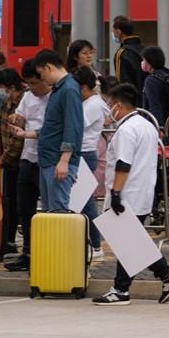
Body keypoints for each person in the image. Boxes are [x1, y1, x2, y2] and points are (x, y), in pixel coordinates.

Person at [92, 82, 169, 305]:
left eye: (110, 105)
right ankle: (129, 286)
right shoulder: (147, 125)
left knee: (129, 243)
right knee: (130, 243)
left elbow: (123, 163)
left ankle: (158, 277)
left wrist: (115, 193)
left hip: (127, 193)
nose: (109, 110)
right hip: (142, 191)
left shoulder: (126, 130)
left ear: (119, 105)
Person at [4, 60, 50, 272]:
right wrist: (17, 118)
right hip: (27, 157)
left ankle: (47, 252)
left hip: (47, 160)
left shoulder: (56, 97)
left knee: (50, 210)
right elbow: (22, 117)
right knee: (24, 208)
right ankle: (28, 252)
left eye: (34, 83)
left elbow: (50, 129)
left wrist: (26, 133)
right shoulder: (29, 96)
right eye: (28, 84)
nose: (31, 88)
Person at [31, 49, 83, 212]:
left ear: (48, 68)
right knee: (50, 214)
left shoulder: (69, 89)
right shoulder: (60, 89)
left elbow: (72, 127)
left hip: (57, 160)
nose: (42, 79)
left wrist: (64, 160)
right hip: (50, 159)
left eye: (41, 74)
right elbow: (55, 125)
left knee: (58, 213)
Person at [75, 66, 107, 257]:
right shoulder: (90, 102)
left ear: (85, 87)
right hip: (83, 154)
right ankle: (93, 244)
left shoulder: (94, 104)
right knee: (83, 201)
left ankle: (96, 245)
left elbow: (79, 124)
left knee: (86, 202)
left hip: (85, 154)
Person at [0, 68, 27, 258]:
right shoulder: (7, 104)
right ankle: (8, 240)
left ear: (12, 87)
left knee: (19, 203)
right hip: (8, 160)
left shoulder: (24, 103)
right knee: (9, 202)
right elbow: (2, 132)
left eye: (3, 88)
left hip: (18, 160)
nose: (1, 92)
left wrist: (3, 159)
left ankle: (14, 241)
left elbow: (18, 139)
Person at [139, 45, 169, 128]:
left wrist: (158, 126)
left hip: (163, 125)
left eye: (143, 60)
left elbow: (155, 106)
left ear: (149, 62)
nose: (142, 62)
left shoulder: (151, 80)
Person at [111, 15, 145, 93]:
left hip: (133, 100)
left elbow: (122, 83)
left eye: (113, 31)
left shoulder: (122, 53)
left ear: (119, 32)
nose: (113, 34)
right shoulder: (144, 49)